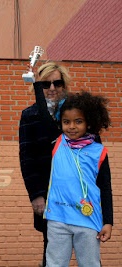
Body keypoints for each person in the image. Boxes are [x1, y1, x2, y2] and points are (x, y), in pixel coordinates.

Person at [43, 91, 113, 266]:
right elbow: (44, 114)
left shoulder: (99, 152)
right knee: (54, 264)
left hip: (88, 219)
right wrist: (36, 83)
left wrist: (108, 222)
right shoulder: (58, 142)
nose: (71, 126)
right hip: (58, 217)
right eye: (66, 122)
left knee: (90, 264)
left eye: (78, 121)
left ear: (89, 123)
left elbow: (105, 188)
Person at [18, 62, 71, 266]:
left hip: (75, 191)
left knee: (86, 244)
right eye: (45, 84)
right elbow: (27, 158)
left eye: (57, 83)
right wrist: (36, 195)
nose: (51, 88)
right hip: (47, 191)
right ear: (37, 87)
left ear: (64, 85)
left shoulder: (75, 113)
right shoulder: (29, 115)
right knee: (51, 248)